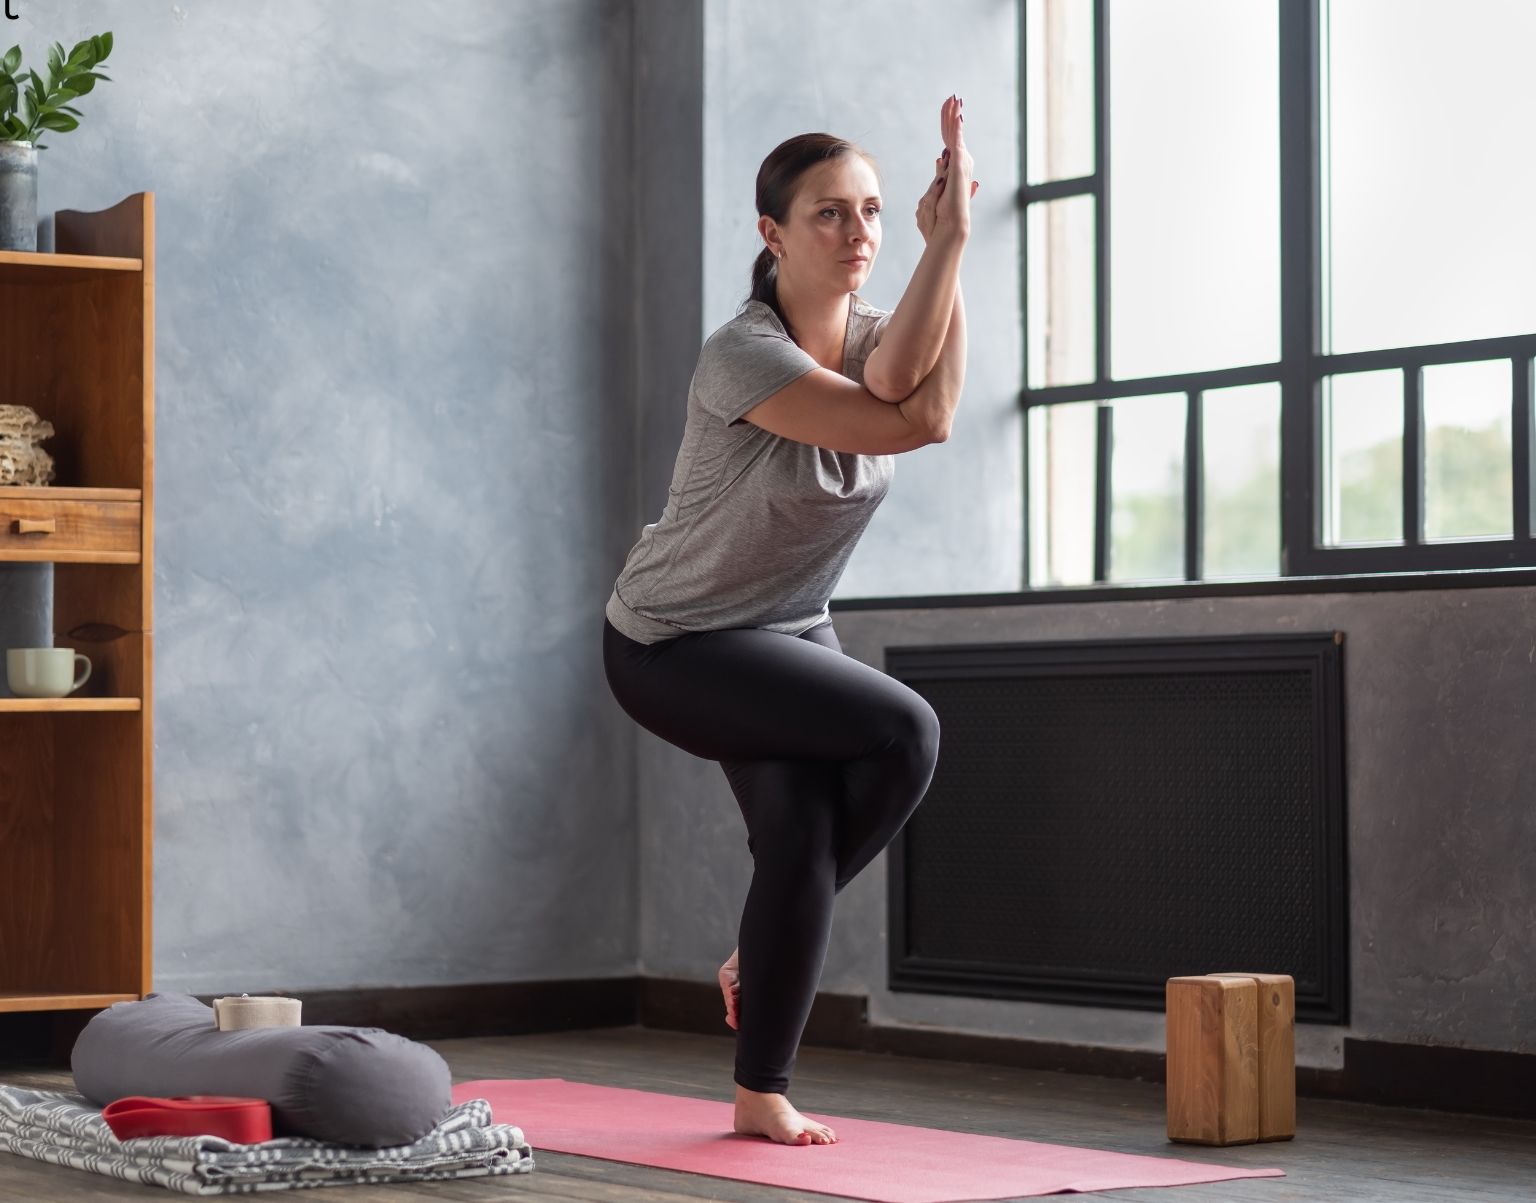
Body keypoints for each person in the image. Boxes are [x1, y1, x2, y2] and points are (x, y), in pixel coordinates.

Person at [602, 95, 975, 1146]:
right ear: (771, 233)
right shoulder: (742, 356)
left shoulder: (871, 332)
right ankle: (765, 967)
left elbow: (914, 385)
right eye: (828, 215)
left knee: (800, 837)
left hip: (787, 629)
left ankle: (759, 1089)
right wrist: (940, 246)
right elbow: (910, 412)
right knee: (907, 730)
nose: (858, 235)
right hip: (674, 641)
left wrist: (952, 247)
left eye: (870, 213)